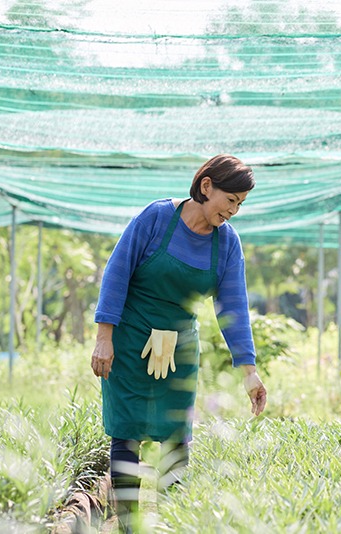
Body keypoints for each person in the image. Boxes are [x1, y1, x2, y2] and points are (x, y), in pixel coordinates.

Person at [90, 154, 267, 531]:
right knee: (127, 430)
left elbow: (233, 306)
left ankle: (172, 522)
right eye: (230, 200)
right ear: (207, 186)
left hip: (180, 348)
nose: (233, 211)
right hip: (130, 338)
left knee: (176, 439)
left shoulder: (227, 244)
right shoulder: (155, 218)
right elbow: (117, 272)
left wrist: (249, 372)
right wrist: (104, 337)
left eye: (240, 204)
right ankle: (126, 524)